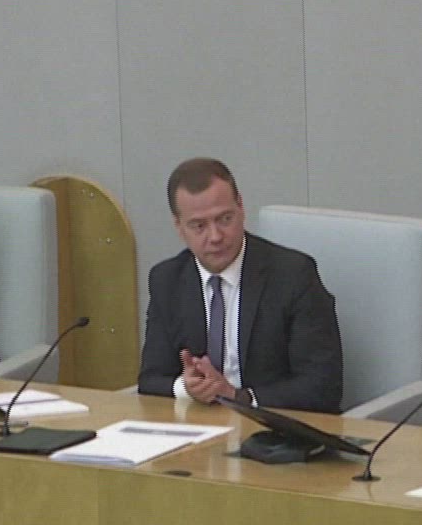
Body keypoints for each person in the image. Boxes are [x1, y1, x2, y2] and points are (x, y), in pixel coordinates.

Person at [137, 158, 342, 412]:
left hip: (271, 425)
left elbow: (323, 387)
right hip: (200, 424)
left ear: (241, 208)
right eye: (199, 226)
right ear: (179, 227)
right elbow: (150, 380)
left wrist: (238, 397)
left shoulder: (293, 275)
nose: (215, 236)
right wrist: (186, 387)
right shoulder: (167, 280)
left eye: (225, 219)